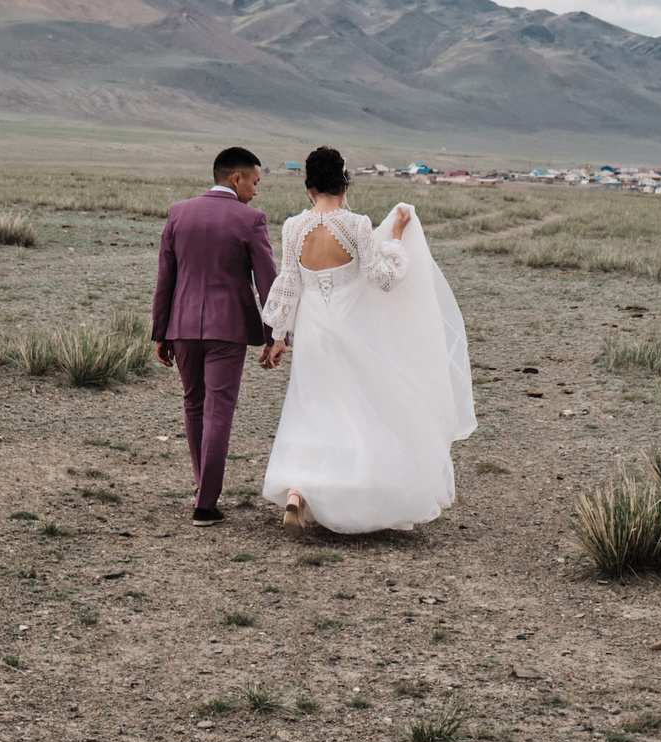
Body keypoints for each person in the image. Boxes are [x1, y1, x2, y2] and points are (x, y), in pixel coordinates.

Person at [258, 147, 476, 534]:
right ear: (344, 184)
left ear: (309, 188)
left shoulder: (292, 226)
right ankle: (352, 489)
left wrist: (278, 336)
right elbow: (384, 279)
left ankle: (296, 491)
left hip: (312, 328)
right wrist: (394, 236)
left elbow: (289, 281)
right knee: (354, 407)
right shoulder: (356, 224)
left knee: (309, 405)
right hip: (349, 325)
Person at [150, 146, 281, 524]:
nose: (256, 191)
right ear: (236, 178)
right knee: (218, 410)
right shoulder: (251, 219)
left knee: (194, 404)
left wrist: (161, 331)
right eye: (255, 182)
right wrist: (275, 334)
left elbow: (166, 279)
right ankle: (206, 502)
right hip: (228, 330)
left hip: (183, 327)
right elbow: (267, 282)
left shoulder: (178, 212)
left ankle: (201, 488)